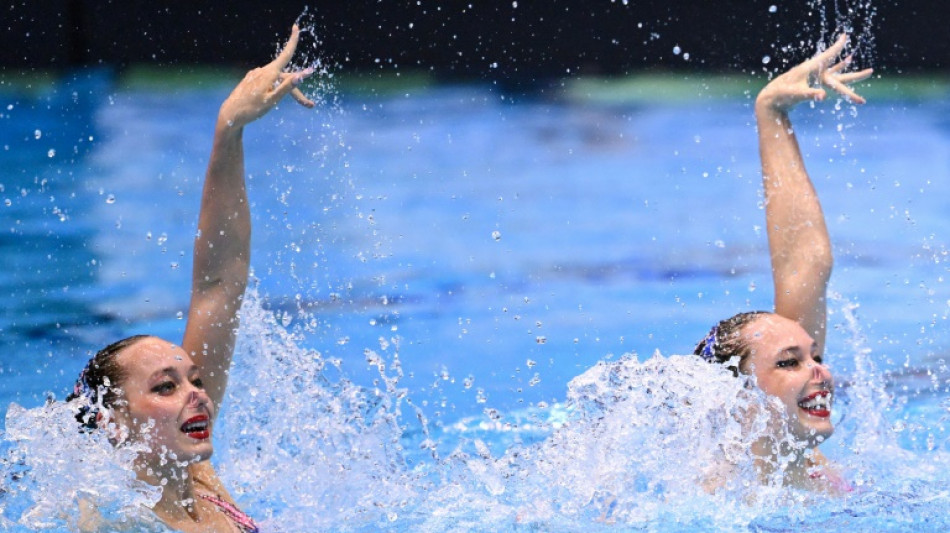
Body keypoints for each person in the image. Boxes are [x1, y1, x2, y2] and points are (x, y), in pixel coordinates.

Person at [65, 25, 315, 531]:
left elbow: (218, 287)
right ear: (114, 424)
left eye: (193, 379)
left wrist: (229, 130)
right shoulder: (116, 520)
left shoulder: (198, 480)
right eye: (165, 387)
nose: (198, 393)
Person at [692, 34, 872, 493]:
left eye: (816, 356)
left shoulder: (815, 472)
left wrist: (771, 113)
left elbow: (810, 262)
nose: (821, 372)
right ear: (739, 400)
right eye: (790, 363)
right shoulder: (718, 499)